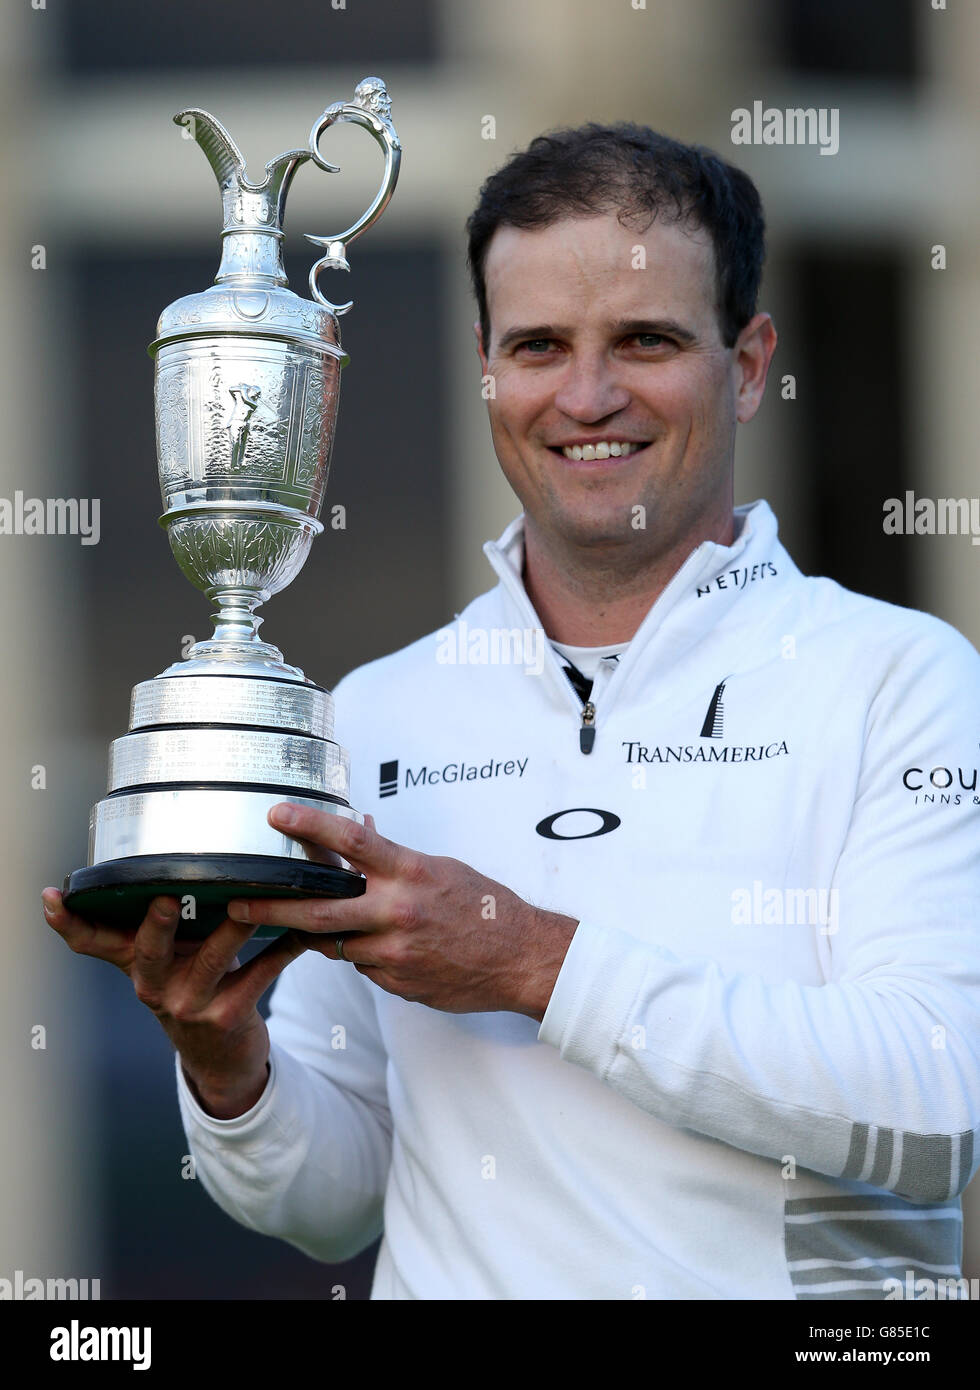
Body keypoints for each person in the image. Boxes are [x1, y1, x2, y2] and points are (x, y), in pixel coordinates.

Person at [44, 123, 980, 1301]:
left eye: (642, 340)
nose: (586, 396)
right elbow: (329, 1200)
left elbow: (935, 1105)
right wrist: (225, 1059)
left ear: (745, 365)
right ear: (486, 366)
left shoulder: (899, 678)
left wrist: (531, 961)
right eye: (538, 346)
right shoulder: (374, 713)